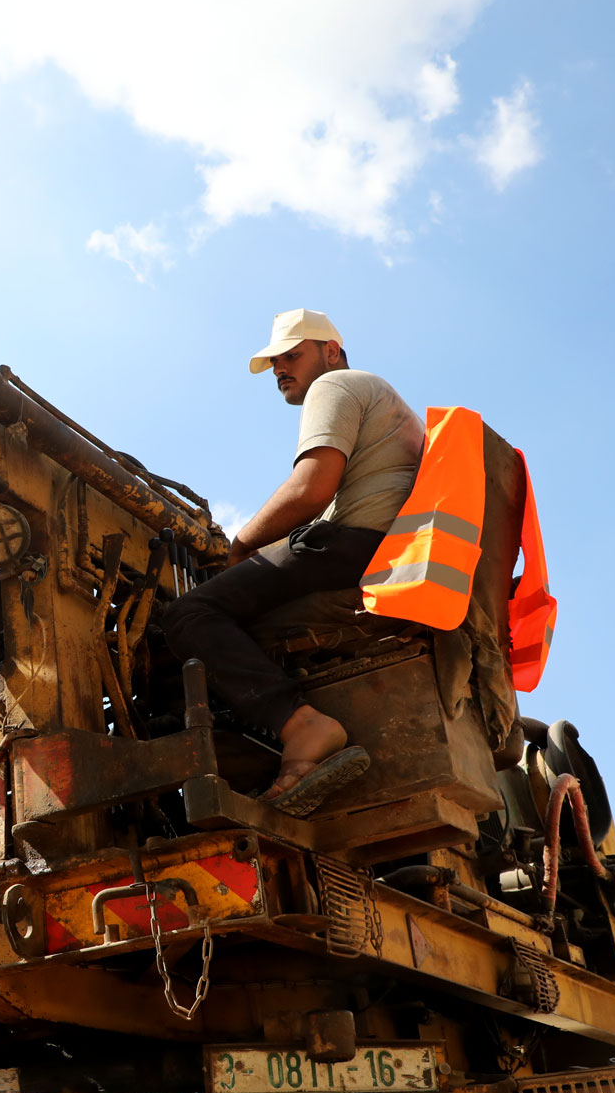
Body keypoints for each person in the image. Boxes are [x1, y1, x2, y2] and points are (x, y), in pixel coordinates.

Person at [159, 309, 425, 816]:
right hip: (381, 550)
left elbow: (310, 489)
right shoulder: (382, 400)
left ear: (331, 351)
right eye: (276, 361)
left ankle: (302, 725)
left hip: (352, 546)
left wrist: (239, 550)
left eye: (293, 355)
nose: (282, 368)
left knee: (187, 616)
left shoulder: (338, 386)